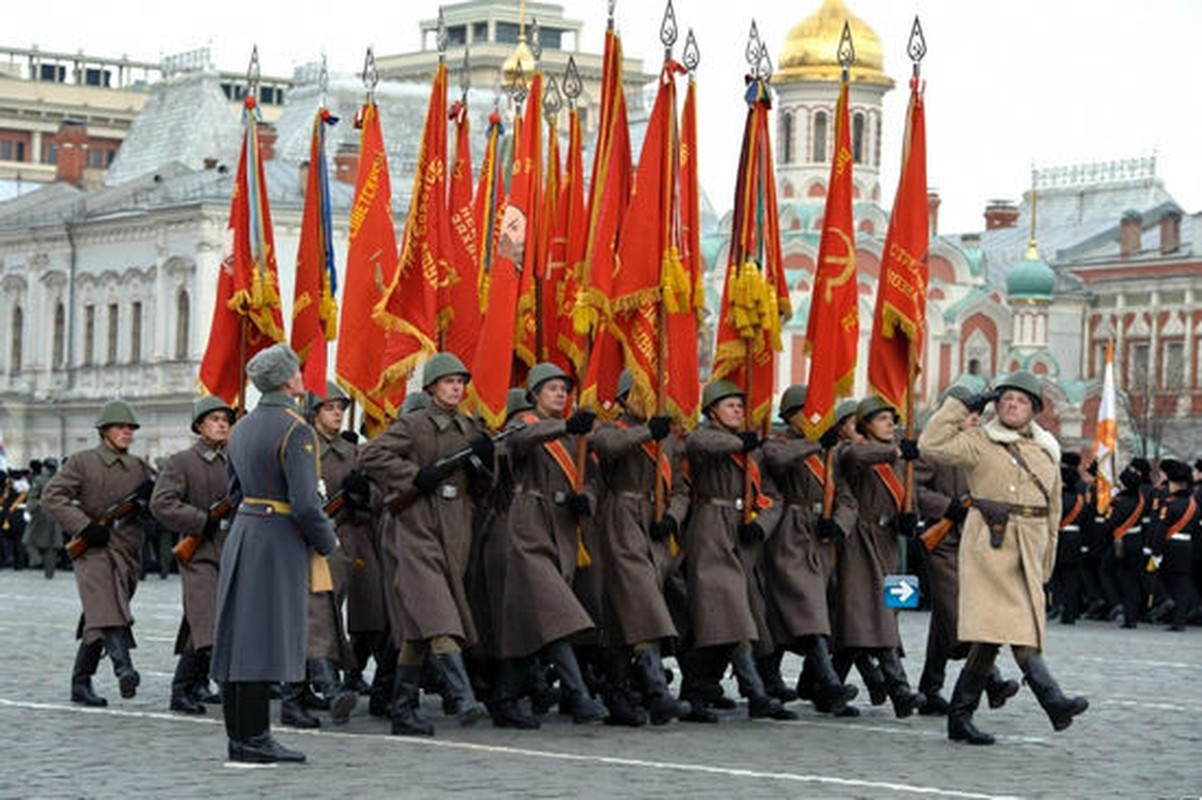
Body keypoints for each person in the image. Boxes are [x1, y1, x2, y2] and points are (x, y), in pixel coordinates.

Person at [919, 370, 1088, 745]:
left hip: (1029, 545)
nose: (1012, 405)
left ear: (1034, 411)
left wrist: (1046, 558)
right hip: (990, 546)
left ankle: (959, 718)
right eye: (1006, 398)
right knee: (1014, 626)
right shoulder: (979, 441)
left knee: (993, 637)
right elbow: (931, 443)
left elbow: (1054, 510)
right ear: (996, 404)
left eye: (1022, 400)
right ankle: (1052, 700)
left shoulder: (1046, 449)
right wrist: (961, 403)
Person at [210, 344, 338, 764]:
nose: (302, 376)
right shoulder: (296, 428)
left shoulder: (242, 427)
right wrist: (327, 540)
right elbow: (304, 502)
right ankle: (257, 737)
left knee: (240, 639)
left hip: (245, 531)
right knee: (263, 639)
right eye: (297, 371)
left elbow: (232, 492)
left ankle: (240, 736)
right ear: (288, 380)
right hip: (277, 536)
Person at [358, 353, 493, 736]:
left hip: (454, 531)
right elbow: (371, 455)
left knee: (418, 629)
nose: (456, 388)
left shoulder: (470, 427)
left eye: (460, 382)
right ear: (432, 386)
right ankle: (463, 696)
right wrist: (415, 476)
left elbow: (485, 490)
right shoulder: (414, 424)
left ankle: (402, 710)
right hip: (416, 529)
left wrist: (484, 462)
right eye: (449, 381)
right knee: (438, 615)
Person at [495, 362, 606, 725]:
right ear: (535, 395)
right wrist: (564, 425)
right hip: (531, 522)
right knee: (557, 611)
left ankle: (506, 700)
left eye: (564, 389)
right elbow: (519, 441)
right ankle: (579, 695)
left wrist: (584, 500)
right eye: (553, 388)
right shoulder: (524, 423)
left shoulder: (577, 436)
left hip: (563, 527)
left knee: (532, 618)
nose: (560, 394)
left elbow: (591, 480)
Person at [678, 380, 793, 722]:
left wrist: (762, 523)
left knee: (725, 617)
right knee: (730, 612)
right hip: (710, 528)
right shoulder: (708, 440)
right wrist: (739, 443)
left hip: (743, 535)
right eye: (730, 405)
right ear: (712, 410)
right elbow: (701, 442)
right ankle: (756, 692)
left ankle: (697, 691)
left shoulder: (752, 448)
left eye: (740, 406)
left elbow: (774, 496)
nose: (738, 410)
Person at [590, 370, 691, 726]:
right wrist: (649, 432)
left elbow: (680, 489)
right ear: (620, 400)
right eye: (638, 392)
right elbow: (605, 448)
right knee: (643, 599)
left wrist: (673, 518)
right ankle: (656, 692)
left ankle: (617, 695)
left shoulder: (666, 440)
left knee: (627, 612)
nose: (647, 397)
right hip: (620, 519)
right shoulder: (612, 430)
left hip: (655, 524)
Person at [42, 399, 155, 707]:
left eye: (131, 428)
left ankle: (81, 681)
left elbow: (158, 503)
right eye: (121, 427)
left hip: (126, 550)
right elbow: (52, 497)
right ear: (104, 431)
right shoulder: (82, 462)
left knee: (99, 614)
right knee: (106, 606)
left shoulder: (139, 466)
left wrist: (148, 502)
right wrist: (84, 526)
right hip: (93, 547)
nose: (127, 432)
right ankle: (124, 668)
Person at [760, 385, 859, 716]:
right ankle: (829, 684)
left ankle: (780, 679)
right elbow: (777, 460)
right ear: (789, 416)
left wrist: (839, 523)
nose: (814, 418)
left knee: (809, 611)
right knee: (806, 606)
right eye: (806, 411)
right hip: (789, 532)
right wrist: (818, 442)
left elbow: (847, 498)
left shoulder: (828, 453)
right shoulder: (780, 443)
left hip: (821, 537)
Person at [279, 383, 359, 730]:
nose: (338, 413)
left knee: (321, 617)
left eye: (341, 407)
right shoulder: (301, 446)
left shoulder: (350, 451)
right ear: (314, 412)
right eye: (329, 408)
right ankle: (321, 690)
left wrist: (362, 496)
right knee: (314, 617)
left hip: (339, 545)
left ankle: (306, 690)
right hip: (304, 543)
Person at [149, 395, 236, 715]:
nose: (222, 424)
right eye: (215, 419)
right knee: (210, 618)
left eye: (226, 419)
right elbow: (162, 503)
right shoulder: (183, 461)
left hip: (232, 548)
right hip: (199, 550)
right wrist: (202, 520)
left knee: (201, 618)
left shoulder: (237, 459)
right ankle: (218, 688)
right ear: (200, 426)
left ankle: (187, 686)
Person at [1147, 459, 1198, 631]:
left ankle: (1168, 605)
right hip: (1187, 546)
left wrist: (1156, 551)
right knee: (1183, 583)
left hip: (1171, 547)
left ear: (1175, 485)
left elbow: (1161, 529)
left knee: (1161, 578)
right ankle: (1179, 620)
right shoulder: (1193, 505)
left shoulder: (1169, 504)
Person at [25, 458, 63, 577]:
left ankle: (36, 559)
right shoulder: (61, 480)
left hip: (42, 512)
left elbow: (33, 496)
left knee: (28, 539)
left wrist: (28, 510)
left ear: (44, 467)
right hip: (57, 512)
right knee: (51, 545)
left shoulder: (39, 480)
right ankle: (49, 573)